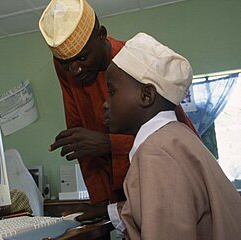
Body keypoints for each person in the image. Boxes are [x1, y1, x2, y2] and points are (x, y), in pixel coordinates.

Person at [38, 0, 199, 220]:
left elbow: (174, 140)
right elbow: (81, 141)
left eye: (83, 58)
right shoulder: (68, 68)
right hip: (122, 195)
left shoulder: (133, 61)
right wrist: (102, 206)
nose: (74, 71)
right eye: (65, 63)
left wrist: (108, 143)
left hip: (165, 182)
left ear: (101, 35)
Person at [104, 32, 241, 239]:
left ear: (146, 95)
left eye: (112, 92)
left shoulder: (156, 153)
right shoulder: (176, 137)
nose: (105, 103)